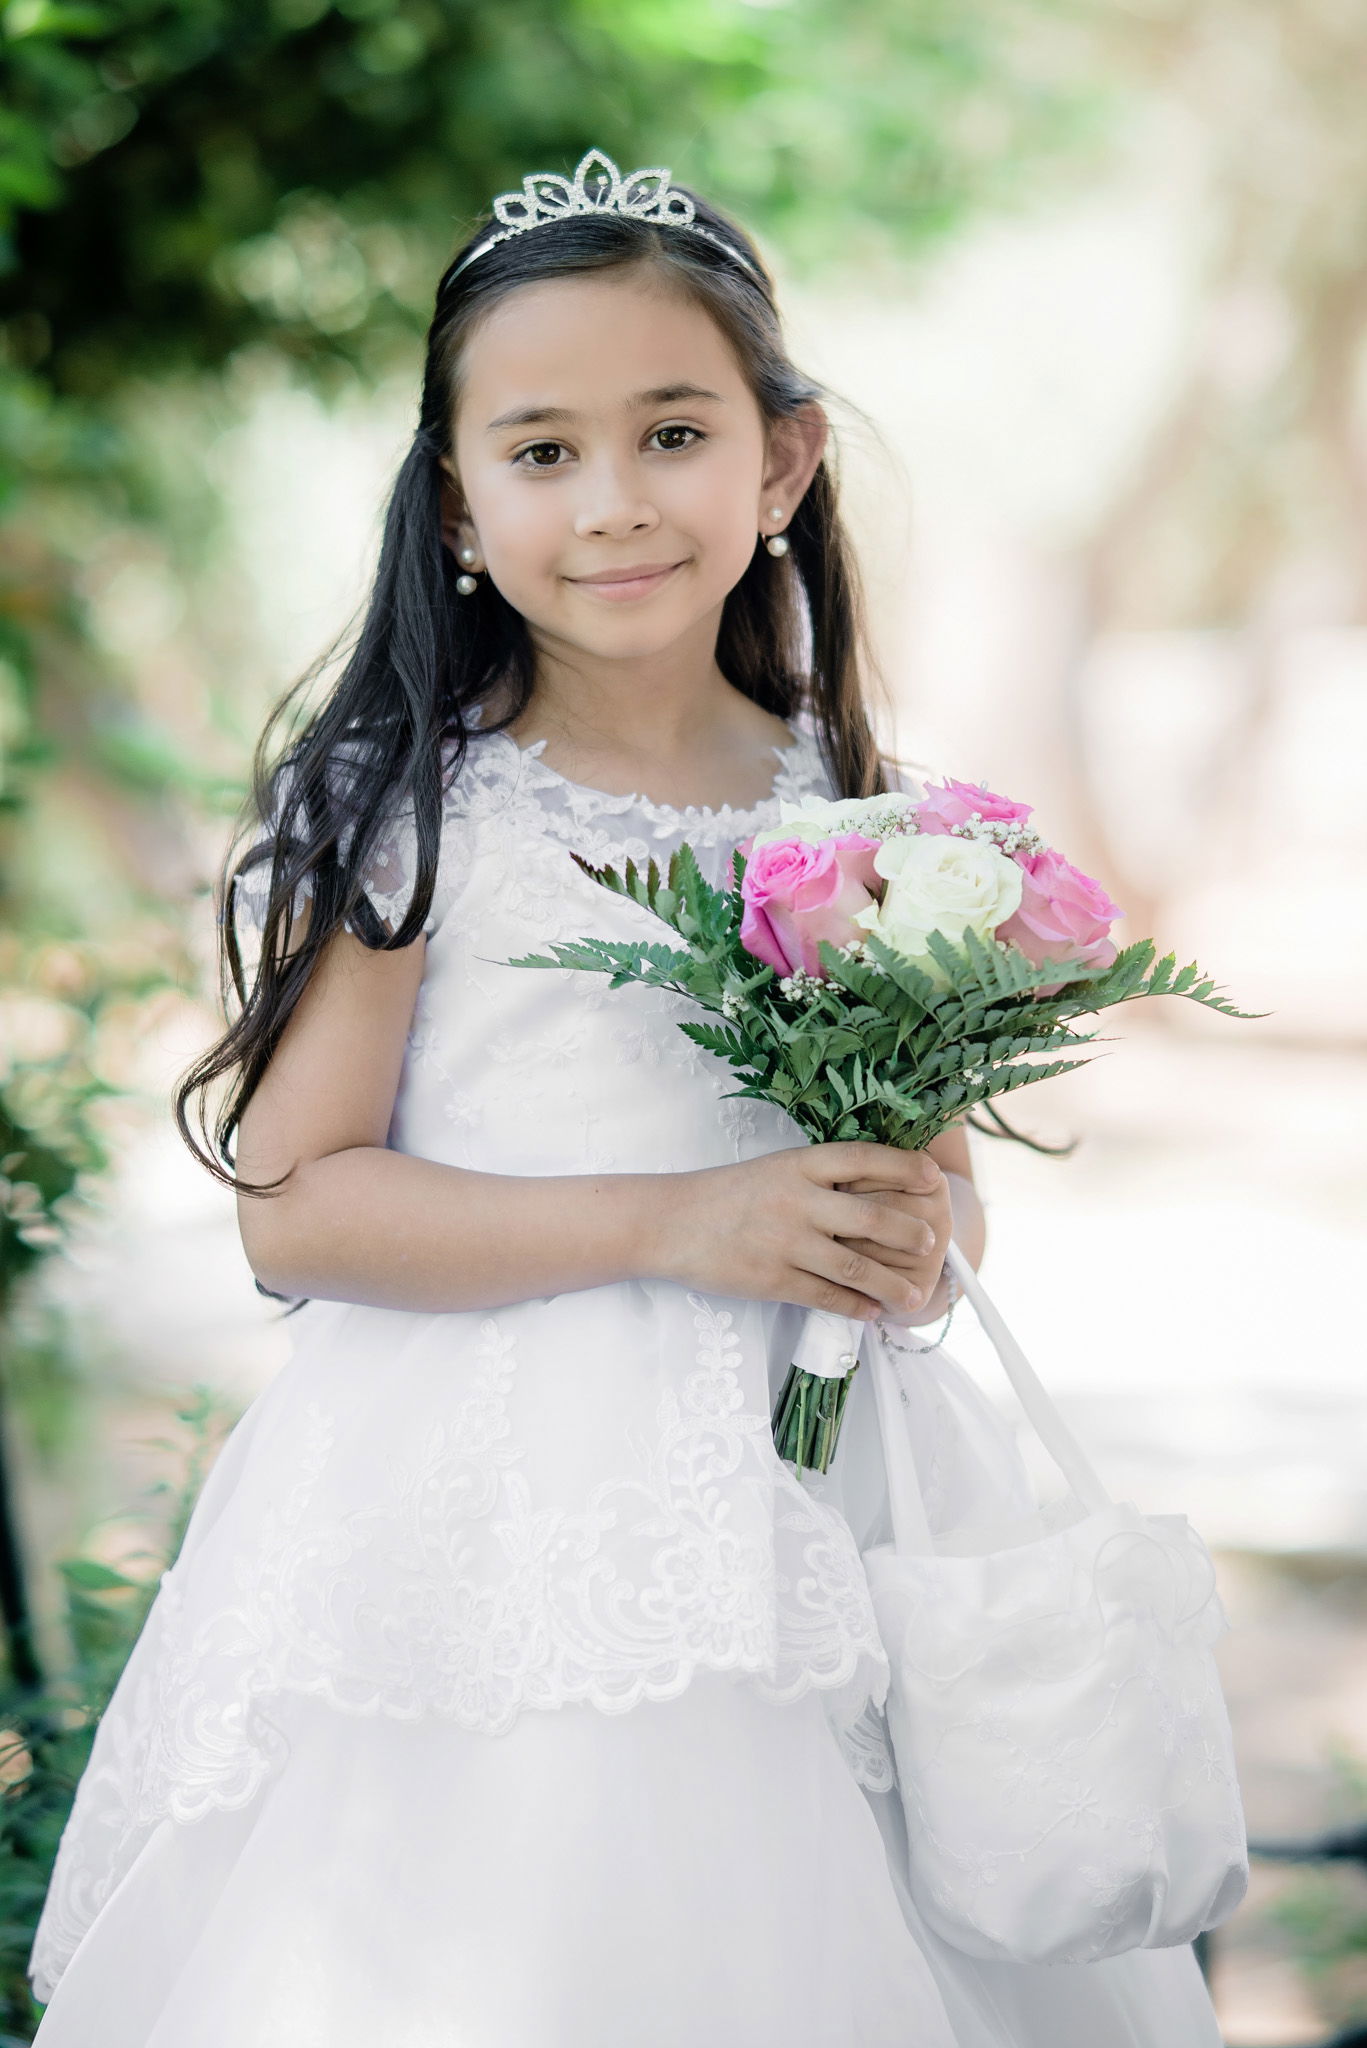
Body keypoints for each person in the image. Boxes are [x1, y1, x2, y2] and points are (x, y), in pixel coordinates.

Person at [27, 150, 1227, 2046]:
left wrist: (910, 1233)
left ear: (783, 463)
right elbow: (300, 1203)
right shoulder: (419, 814)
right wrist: (678, 1225)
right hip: (491, 1529)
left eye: (673, 432)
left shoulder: (857, 805)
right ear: (454, 501)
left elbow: (938, 1185)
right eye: (541, 451)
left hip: (830, 1518)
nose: (613, 505)